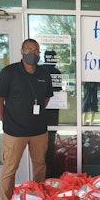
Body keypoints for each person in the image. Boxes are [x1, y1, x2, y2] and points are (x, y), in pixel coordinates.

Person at [0, 38, 53, 200]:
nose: (32, 54)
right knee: (9, 170)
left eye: (36, 51)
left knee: (40, 166)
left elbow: (45, 99)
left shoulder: (44, 74)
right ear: (21, 51)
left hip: (38, 131)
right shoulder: (9, 72)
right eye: (29, 50)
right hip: (14, 132)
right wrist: (8, 121)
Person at [42, 50, 62, 178]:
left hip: (45, 110)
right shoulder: (56, 72)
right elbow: (58, 89)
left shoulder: (39, 70)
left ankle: (46, 172)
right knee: (49, 141)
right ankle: (48, 170)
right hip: (50, 111)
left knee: (43, 142)